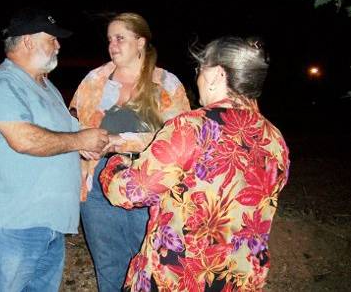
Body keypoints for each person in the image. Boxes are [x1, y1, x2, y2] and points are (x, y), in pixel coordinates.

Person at [100, 36, 290, 291]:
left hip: (179, 277)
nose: (198, 78)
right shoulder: (275, 138)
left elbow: (128, 192)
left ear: (217, 75)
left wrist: (116, 163)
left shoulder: (191, 127)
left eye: (200, 69)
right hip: (238, 279)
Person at [0, 8, 109, 292]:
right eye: (52, 38)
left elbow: (69, 135)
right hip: (15, 224)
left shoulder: (48, 87)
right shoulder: (2, 83)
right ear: (27, 41)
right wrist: (80, 141)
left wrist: (88, 146)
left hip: (51, 222)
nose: (58, 45)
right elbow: (24, 139)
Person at [70, 12, 190, 291]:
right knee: (108, 263)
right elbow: (73, 121)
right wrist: (79, 143)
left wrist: (118, 141)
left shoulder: (165, 84)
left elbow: (180, 138)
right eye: (110, 39)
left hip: (148, 184)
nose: (112, 44)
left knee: (148, 263)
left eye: (120, 38)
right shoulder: (94, 79)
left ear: (140, 42)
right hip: (96, 184)